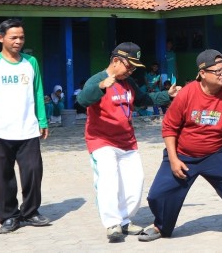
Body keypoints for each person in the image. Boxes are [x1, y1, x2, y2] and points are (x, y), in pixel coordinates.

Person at [139, 49, 222, 248]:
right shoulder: (187, 93)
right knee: (157, 195)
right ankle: (161, 226)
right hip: (182, 154)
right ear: (202, 73)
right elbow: (169, 127)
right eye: (218, 71)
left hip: (216, 155)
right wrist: (174, 159)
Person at [76, 42, 180, 242]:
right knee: (109, 180)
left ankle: (125, 220)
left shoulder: (128, 83)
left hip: (127, 142)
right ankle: (112, 224)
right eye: (129, 66)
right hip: (101, 141)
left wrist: (167, 95)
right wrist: (100, 87)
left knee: (135, 183)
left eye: (134, 68)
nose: (131, 71)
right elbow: (82, 101)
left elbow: (143, 99)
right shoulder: (97, 80)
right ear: (116, 60)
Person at [0, 18, 51, 234]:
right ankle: (9, 216)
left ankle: (30, 212)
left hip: (28, 129)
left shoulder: (31, 62)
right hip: (0, 132)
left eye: (21, 37)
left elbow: (38, 92)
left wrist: (43, 120)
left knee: (33, 172)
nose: (18, 41)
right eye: (13, 37)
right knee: (3, 178)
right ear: (1, 38)